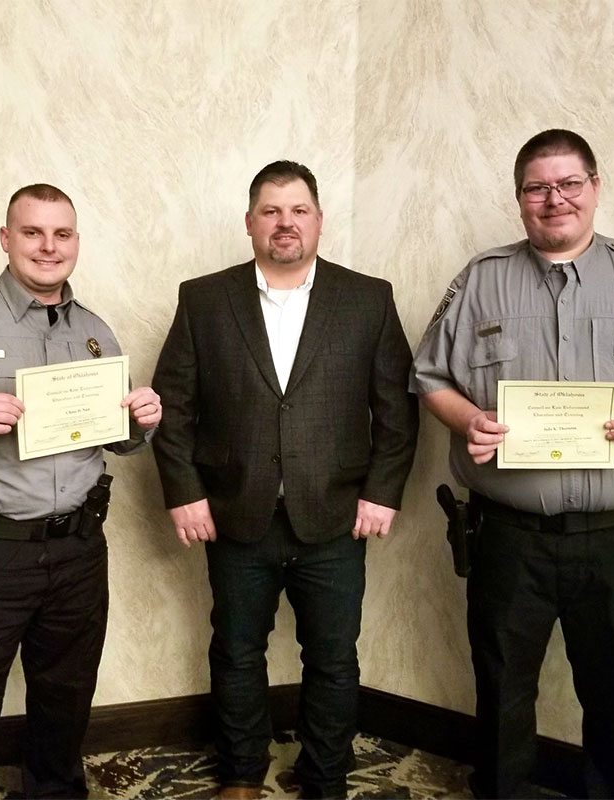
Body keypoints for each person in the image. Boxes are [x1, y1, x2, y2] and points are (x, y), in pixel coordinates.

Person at [411, 129, 614, 799]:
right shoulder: (480, 280)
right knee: (502, 693)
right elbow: (428, 376)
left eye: (569, 183)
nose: (555, 199)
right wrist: (470, 420)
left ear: (595, 188)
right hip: (508, 538)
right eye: (538, 187)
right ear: (520, 199)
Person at [152, 161, 418, 799]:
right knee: (237, 651)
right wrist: (185, 492)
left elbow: (398, 408)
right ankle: (242, 774)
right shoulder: (204, 298)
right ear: (249, 223)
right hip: (234, 513)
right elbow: (173, 406)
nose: (285, 223)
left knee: (333, 658)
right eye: (271, 211)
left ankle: (324, 777)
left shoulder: (368, 298)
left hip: (334, 516)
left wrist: (382, 493)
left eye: (298, 210)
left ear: (319, 220)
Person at [0, 184, 162, 799]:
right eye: (32, 232)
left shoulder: (97, 332)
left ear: (76, 242)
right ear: (5, 238)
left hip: (77, 549)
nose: (48, 247)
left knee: (67, 696)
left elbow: (116, 443)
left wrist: (142, 423)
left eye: (62, 234)